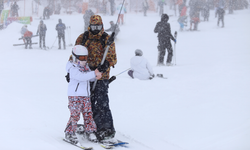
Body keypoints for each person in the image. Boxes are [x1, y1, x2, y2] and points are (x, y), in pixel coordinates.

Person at [75, 15, 117, 141]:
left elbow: (113, 58)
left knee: (101, 101)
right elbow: (75, 55)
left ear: (102, 26)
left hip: (101, 76)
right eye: (94, 27)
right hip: (86, 75)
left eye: (98, 27)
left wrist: (105, 65)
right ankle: (92, 126)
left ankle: (107, 128)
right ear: (90, 26)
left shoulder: (106, 39)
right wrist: (71, 72)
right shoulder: (83, 38)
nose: (96, 29)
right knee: (87, 102)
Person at [64, 45, 102, 144]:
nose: (84, 60)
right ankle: (69, 132)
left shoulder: (86, 67)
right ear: (75, 57)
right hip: (75, 95)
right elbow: (81, 77)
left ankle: (90, 131)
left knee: (88, 114)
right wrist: (94, 73)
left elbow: (89, 77)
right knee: (75, 115)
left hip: (86, 95)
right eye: (81, 58)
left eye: (85, 58)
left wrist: (96, 76)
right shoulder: (72, 67)